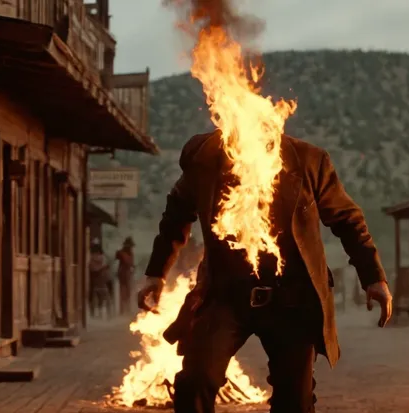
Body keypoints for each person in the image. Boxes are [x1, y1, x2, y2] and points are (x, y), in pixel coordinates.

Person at [137, 131, 393, 413]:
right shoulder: (207, 160)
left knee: (295, 401)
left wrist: (373, 277)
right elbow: (175, 216)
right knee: (195, 381)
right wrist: (156, 274)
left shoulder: (309, 161)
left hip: (292, 300)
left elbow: (347, 219)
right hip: (225, 297)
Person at [88, 243, 111, 318]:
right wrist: (103, 268)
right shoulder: (91, 260)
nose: (97, 255)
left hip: (102, 282)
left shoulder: (101, 259)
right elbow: (94, 270)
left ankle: (106, 315)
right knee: (94, 299)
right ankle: (94, 314)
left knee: (105, 299)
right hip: (95, 283)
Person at [115, 237, 136, 315]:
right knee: (124, 292)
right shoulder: (122, 253)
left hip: (126, 273)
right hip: (124, 273)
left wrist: (133, 266)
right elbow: (128, 262)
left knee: (127, 292)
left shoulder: (127, 253)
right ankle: (123, 309)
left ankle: (125, 309)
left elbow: (131, 263)